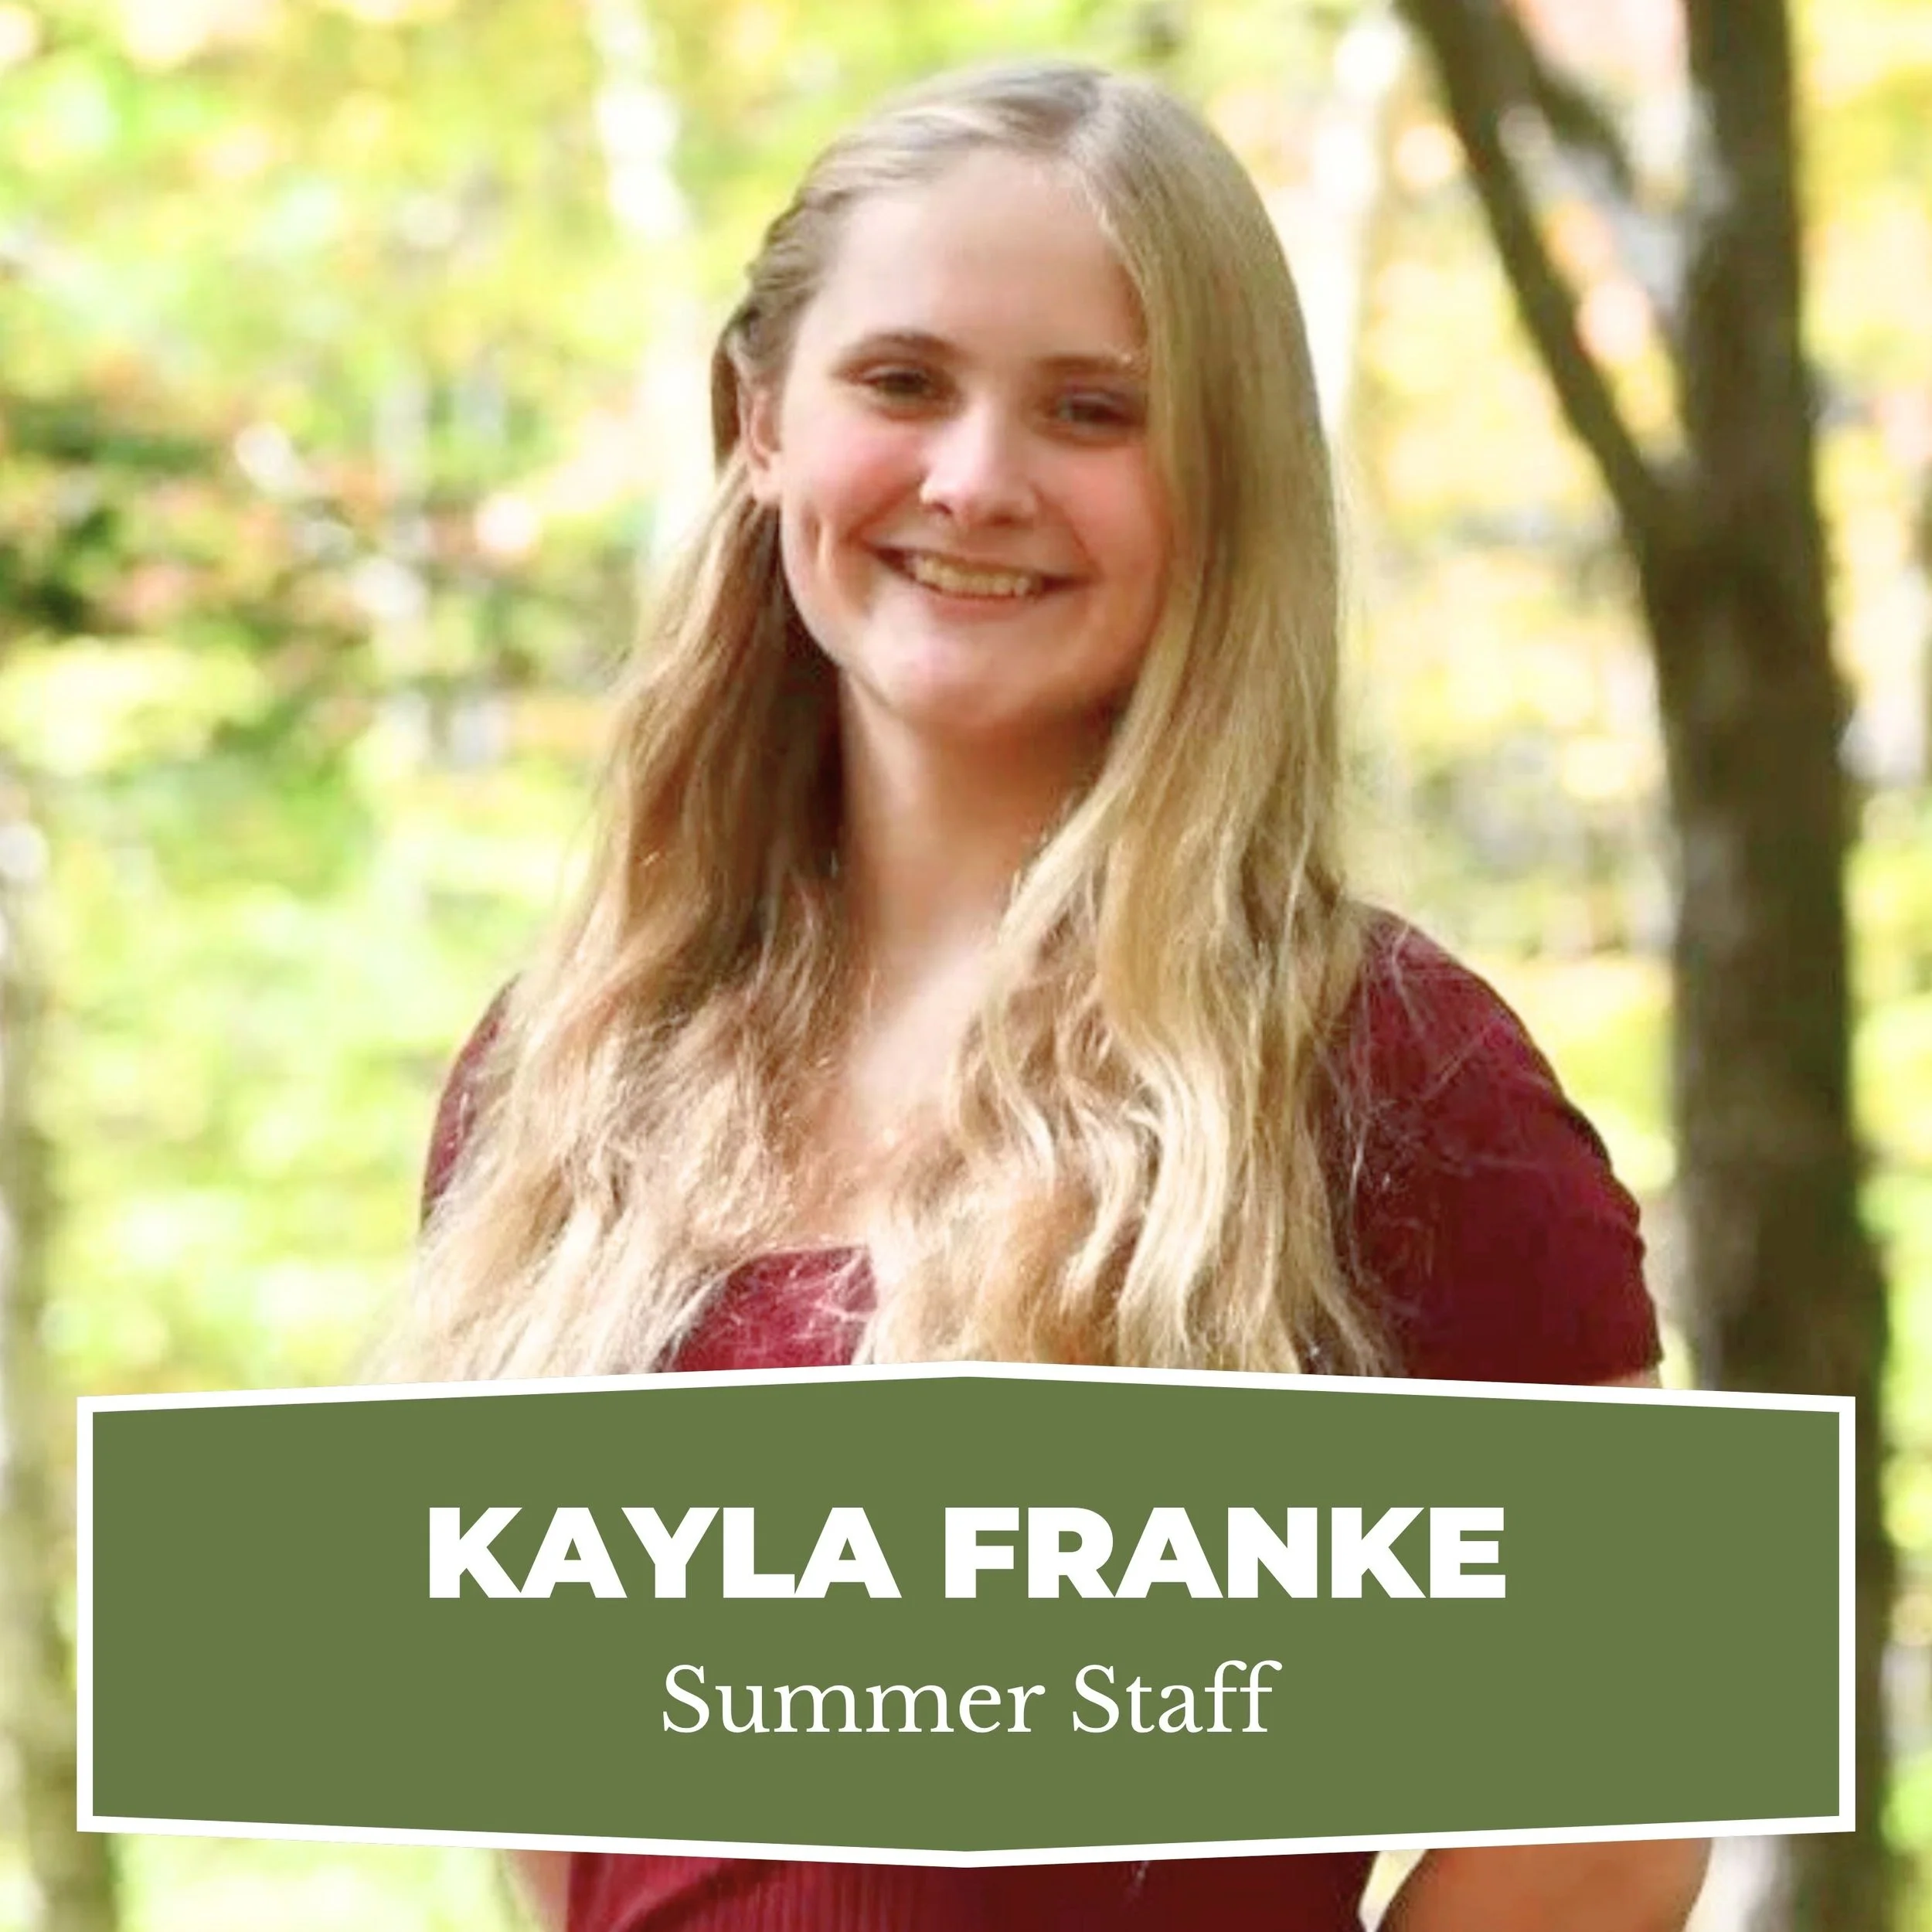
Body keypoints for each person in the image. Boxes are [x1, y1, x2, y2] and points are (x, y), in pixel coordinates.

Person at [404, 58, 1709, 1932]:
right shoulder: (557, 1077)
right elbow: (543, 1788)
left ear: (1217, 480)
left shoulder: (1381, 1071)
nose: (974, 480)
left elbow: (1616, 1794)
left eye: (1091, 411)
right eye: (901, 380)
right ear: (756, 415)